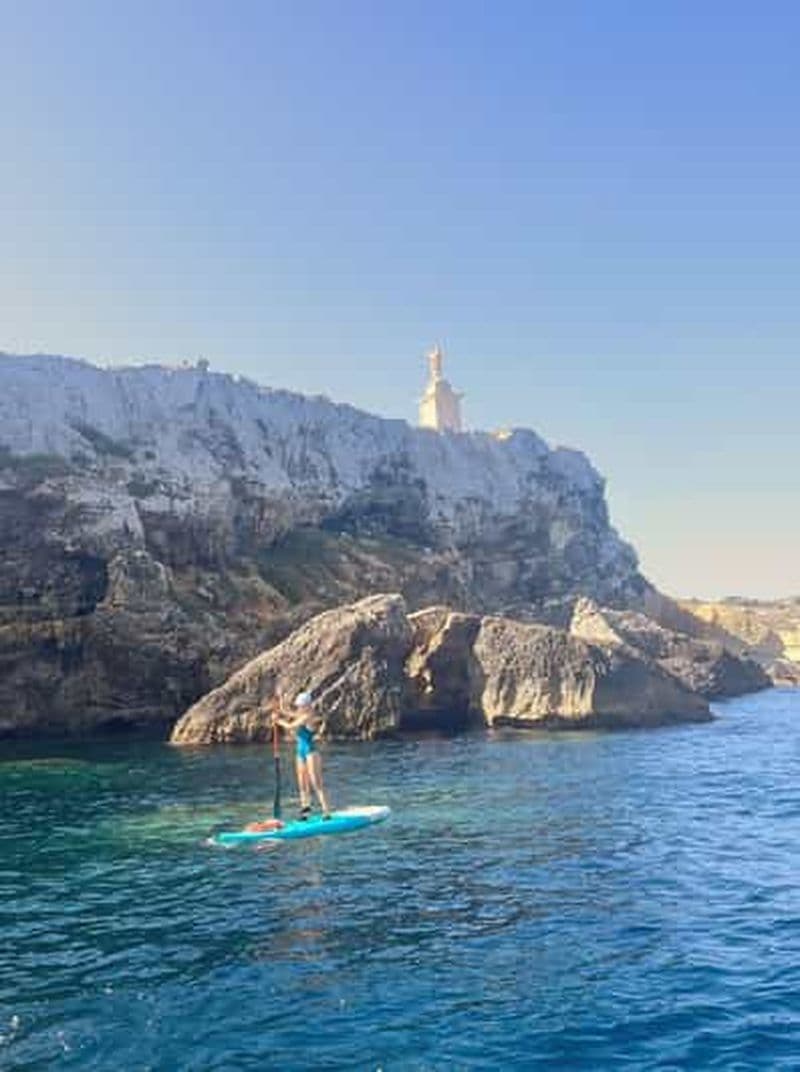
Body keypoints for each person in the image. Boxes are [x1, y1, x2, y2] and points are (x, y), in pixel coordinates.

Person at [273, 690, 331, 819]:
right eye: (298, 706)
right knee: (302, 783)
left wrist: (278, 721)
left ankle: (326, 811)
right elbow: (288, 712)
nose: (298, 707)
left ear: (307, 705)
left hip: (311, 752)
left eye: (300, 705)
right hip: (300, 752)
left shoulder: (308, 716)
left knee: (316, 783)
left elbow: (290, 726)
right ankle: (305, 812)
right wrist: (280, 706)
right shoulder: (301, 714)